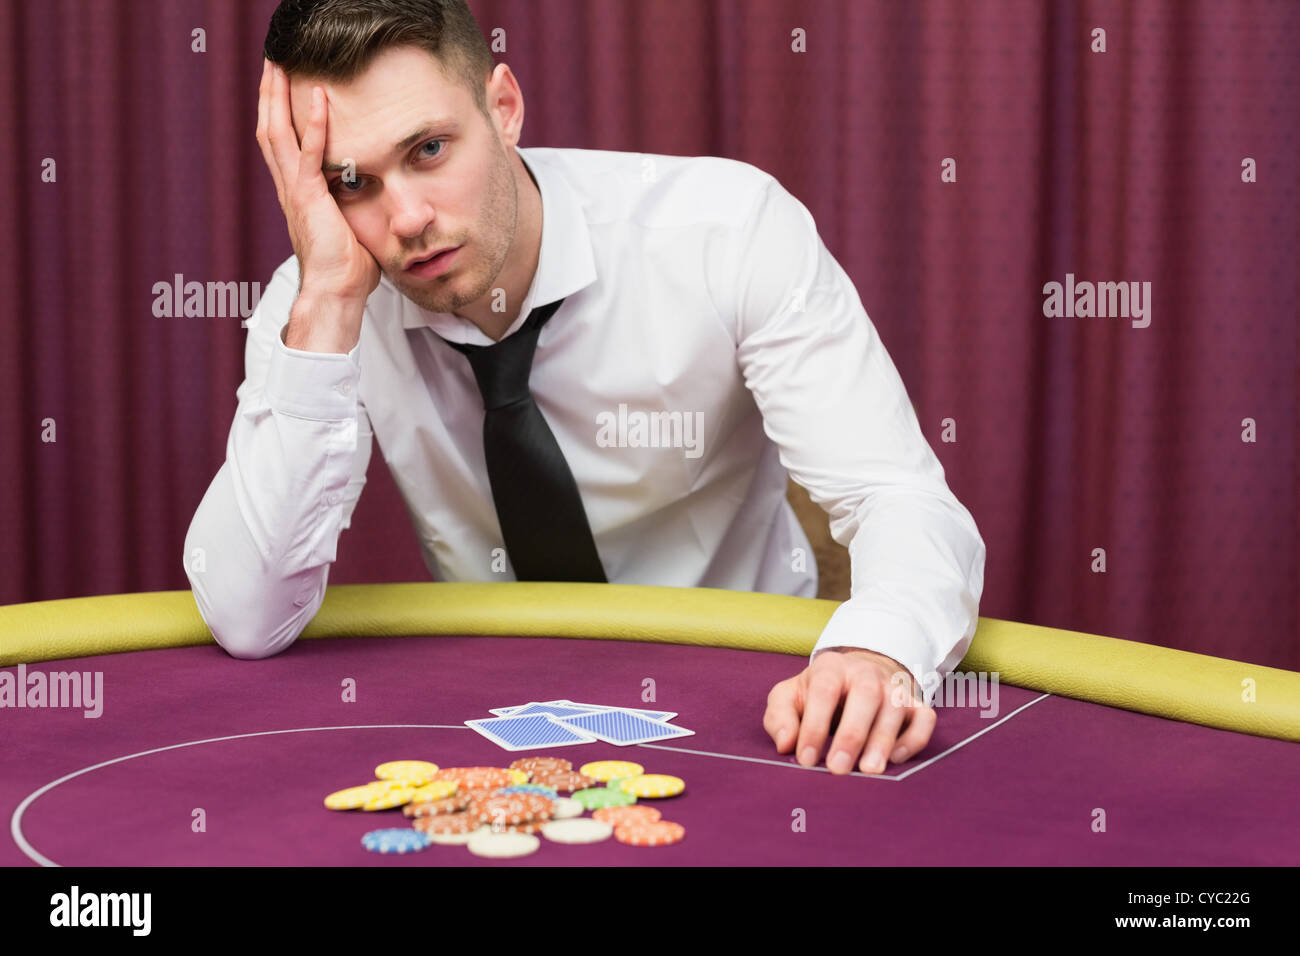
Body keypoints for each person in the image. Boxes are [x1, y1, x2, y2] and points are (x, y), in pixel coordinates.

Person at [185, 0, 986, 777]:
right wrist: (329, 304)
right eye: (353, 181)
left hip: (759, 700)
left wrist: (874, 651)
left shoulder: (727, 231)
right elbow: (250, 618)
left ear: (503, 108)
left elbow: (895, 495)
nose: (407, 219)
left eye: (429, 149)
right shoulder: (320, 302)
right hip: (494, 718)